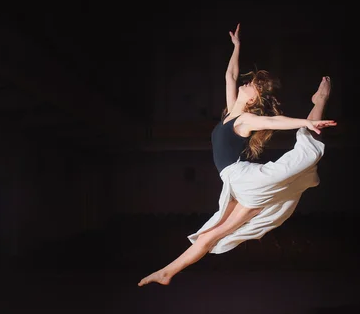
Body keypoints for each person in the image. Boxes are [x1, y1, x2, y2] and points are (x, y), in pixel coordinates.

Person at [138, 24, 336, 286]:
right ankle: (167, 273)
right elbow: (230, 76)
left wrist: (304, 122)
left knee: (303, 154)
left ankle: (319, 101)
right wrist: (237, 46)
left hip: (245, 179)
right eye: (250, 81)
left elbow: (275, 122)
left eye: (252, 85)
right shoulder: (232, 111)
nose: (247, 83)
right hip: (235, 185)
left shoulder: (246, 118)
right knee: (212, 234)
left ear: (253, 100)